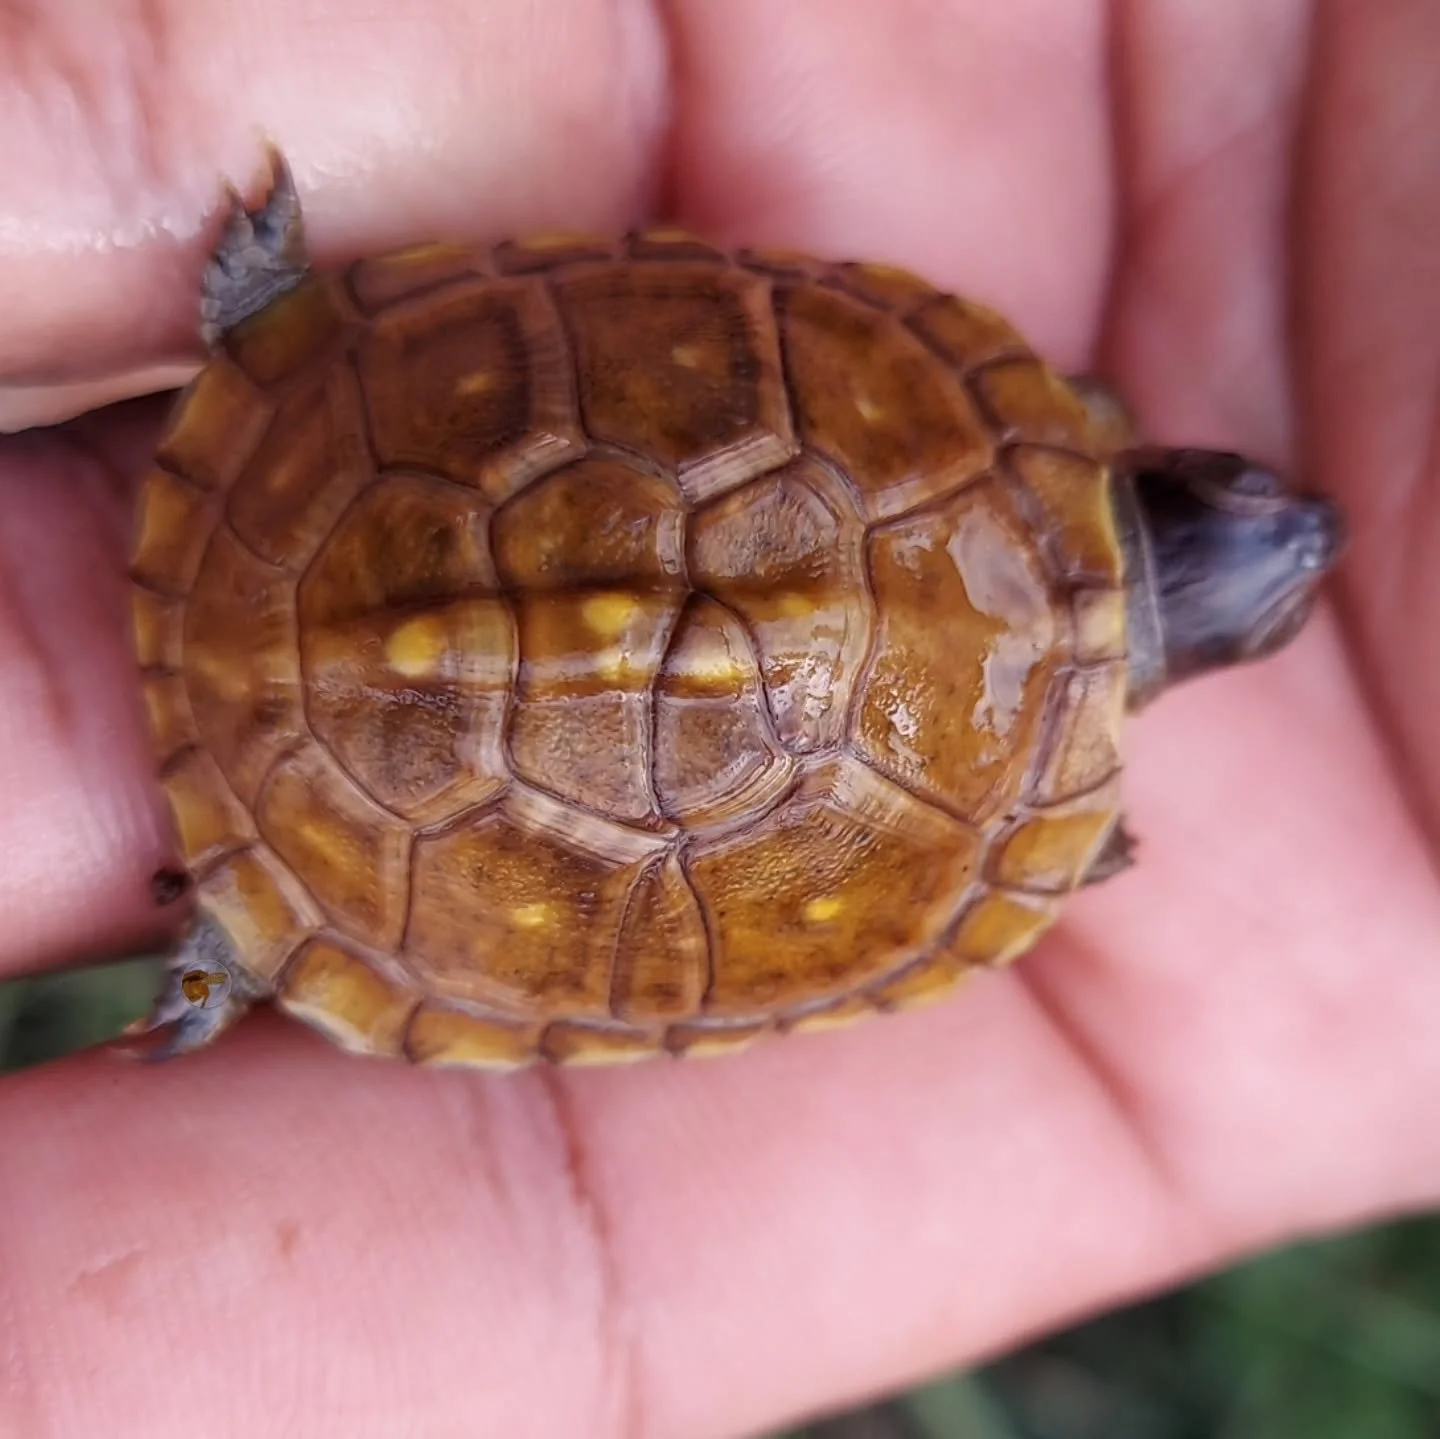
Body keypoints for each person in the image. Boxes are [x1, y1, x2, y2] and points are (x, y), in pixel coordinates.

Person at [1, 3, 1437, 1434]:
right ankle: (260, 919)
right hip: (332, 844)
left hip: (331, 455)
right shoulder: (1023, 847)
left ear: (1162, 459)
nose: (1306, 520)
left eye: (1249, 519)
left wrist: (288, 355)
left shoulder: (952, 391)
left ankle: (283, 338)